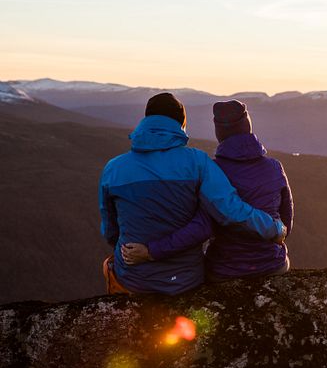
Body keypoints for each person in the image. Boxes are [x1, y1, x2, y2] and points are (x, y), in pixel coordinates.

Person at [99, 93, 286, 295]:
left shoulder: (113, 168)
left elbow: (110, 231)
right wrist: (274, 228)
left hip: (133, 280)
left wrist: (137, 250)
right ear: (182, 124)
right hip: (185, 281)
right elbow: (230, 211)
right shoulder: (198, 162)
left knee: (110, 264)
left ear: (145, 122)